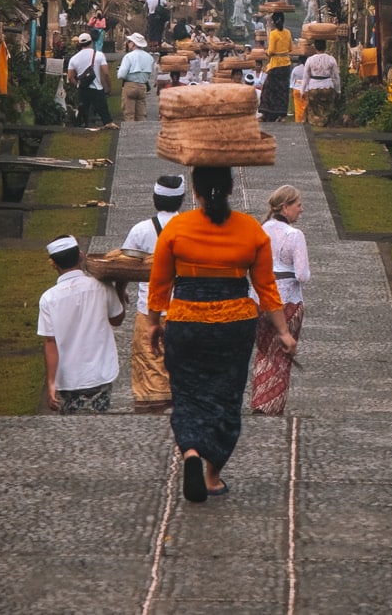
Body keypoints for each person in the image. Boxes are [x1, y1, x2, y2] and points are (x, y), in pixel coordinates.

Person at [147, 166, 294, 502]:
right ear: (230, 187)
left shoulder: (177, 228)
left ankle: (191, 454)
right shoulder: (250, 229)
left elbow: (160, 281)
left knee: (188, 395)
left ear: (194, 192)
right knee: (226, 397)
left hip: (186, 323)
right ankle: (212, 476)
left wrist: (154, 323)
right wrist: (283, 332)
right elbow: (266, 287)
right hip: (233, 327)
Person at [37, 234, 126, 413]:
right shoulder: (102, 286)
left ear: (53, 263)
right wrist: (120, 290)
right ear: (81, 255)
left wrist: (51, 383)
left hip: (69, 377)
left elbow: (50, 342)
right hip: (101, 372)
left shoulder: (48, 298)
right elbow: (117, 319)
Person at [122, 174, 186, 412]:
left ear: (154, 199)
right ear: (181, 200)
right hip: (184, 306)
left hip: (149, 308)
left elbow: (125, 266)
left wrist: (120, 291)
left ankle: (153, 405)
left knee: (149, 359)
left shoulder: (140, 230)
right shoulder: (190, 227)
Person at [249, 184, 310, 415]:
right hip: (288, 302)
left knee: (264, 352)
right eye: (298, 205)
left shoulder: (260, 229)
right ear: (285, 207)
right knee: (282, 354)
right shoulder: (294, 236)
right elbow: (302, 275)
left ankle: (259, 400)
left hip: (258, 301)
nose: (301, 209)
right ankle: (272, 405)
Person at [66, 33, 113, 128]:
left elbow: (70, 77)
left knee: (82, 112)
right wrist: (109, 87)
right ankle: (108, 125)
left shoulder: (74, 59)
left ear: (79, 44)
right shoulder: (99, 55)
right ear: (91, 42)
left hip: (83, 89)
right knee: (105, 115)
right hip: (97, 89)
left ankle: (80, 128)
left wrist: (78, 85)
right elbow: (106, 74)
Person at [295, 38, 341, 127]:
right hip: (327, 87)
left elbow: (306, 77)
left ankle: (315, 123)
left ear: (315, 47)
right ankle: (325, 123)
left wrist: (302, 91)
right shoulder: (331, 59)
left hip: (313, 88)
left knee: (313, 107)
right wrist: (338, 90)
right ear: (326, 47)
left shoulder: (310, 60)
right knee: (327, 107)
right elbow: (336, 77)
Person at [259, 12, 294, 123]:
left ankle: (266, 113)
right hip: (286, 64)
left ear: (273, 22)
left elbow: (271, 51)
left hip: (276, 64)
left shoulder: (273, 34)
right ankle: (281, 114)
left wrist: (267, 53)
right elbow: (290, 48)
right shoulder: (288, 33)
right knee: (283, 90)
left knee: (268, 89)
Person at [119, 33, 157, 121]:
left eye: (129, 42)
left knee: (129, 113)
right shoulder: (149, 57)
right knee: (141, 113)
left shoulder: (128, 56)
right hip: (142, 86)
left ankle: (130, 132)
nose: (128, 43)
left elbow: (121, 74)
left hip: (130, 85)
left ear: (133, 43)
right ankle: (141, 132)